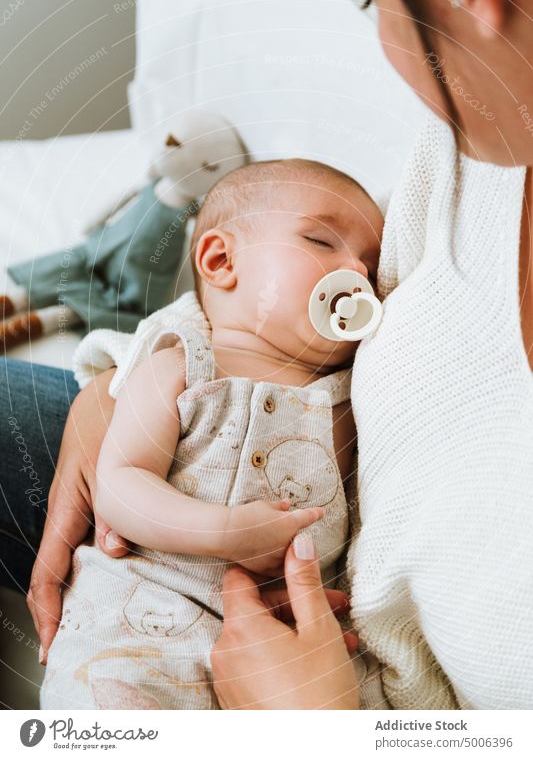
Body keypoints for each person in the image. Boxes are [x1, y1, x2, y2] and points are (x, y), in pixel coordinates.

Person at [2, 0, 531, 712]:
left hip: (347, 676)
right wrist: (121, 384)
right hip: (167, 519)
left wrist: (312, 724)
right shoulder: (477, 151)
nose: (358, 274)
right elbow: (261, 296)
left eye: (366, 0)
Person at [39, 158, 380, 709]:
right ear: (221, 260)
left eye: (372, 264)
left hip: (285, 648)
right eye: (321, 241)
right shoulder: (184, 365)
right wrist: (221, 531)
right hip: (139, 621)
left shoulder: (350, 397)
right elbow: (121, 483)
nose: (358, 274)